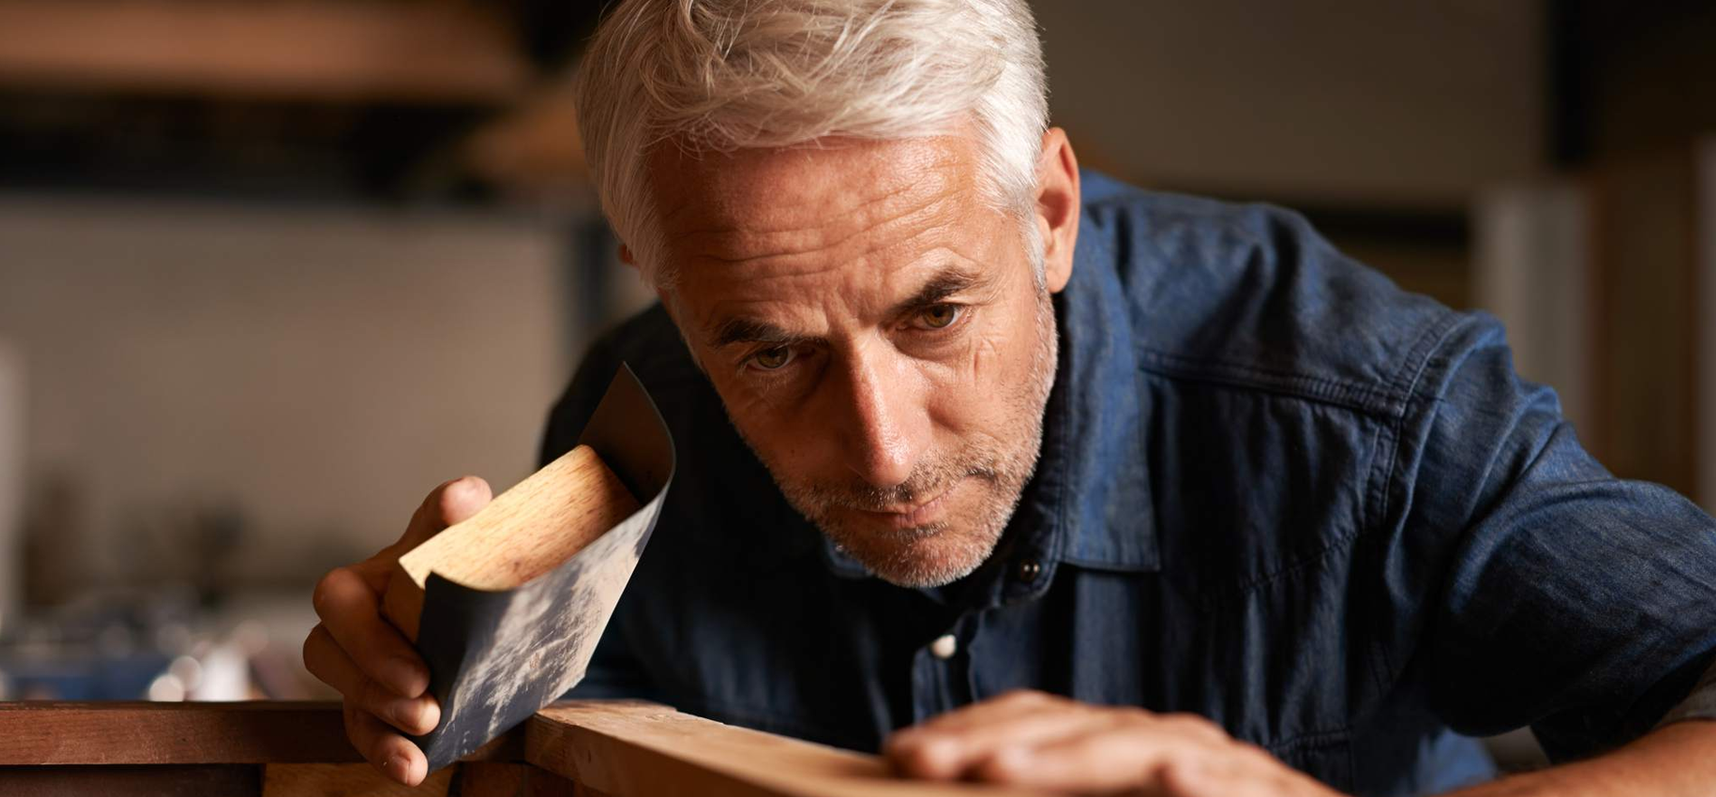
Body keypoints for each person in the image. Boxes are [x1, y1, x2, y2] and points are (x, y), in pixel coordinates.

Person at [302, 1, 1716, 793]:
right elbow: (557, 761)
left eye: (937, 312)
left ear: (1047, 210)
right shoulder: (637, 416)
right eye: (769, 351)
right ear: (654, 273)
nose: (883, 448)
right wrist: (445, 694)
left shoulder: (1364, 407)